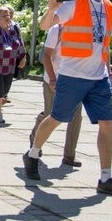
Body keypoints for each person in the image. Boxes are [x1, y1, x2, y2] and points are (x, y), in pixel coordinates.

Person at [25, 0, 112, 197]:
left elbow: (103, 41)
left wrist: (108, 67)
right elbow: (44, 26)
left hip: (99, 77)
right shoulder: (73, 2)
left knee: (107, 124)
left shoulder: (108, 6)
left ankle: (105, 177)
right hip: (72, 75)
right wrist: (51, 7)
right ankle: (32, 154)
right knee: (56, 118)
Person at [29, 23, 83, 167]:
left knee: (76, 117)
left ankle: (69, 155)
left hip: (75, 80)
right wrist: (52, 78)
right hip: (54, 78)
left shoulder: (84, 28)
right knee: (50, 114)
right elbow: (46, 56)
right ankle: (35, 139)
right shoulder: (57, 29)